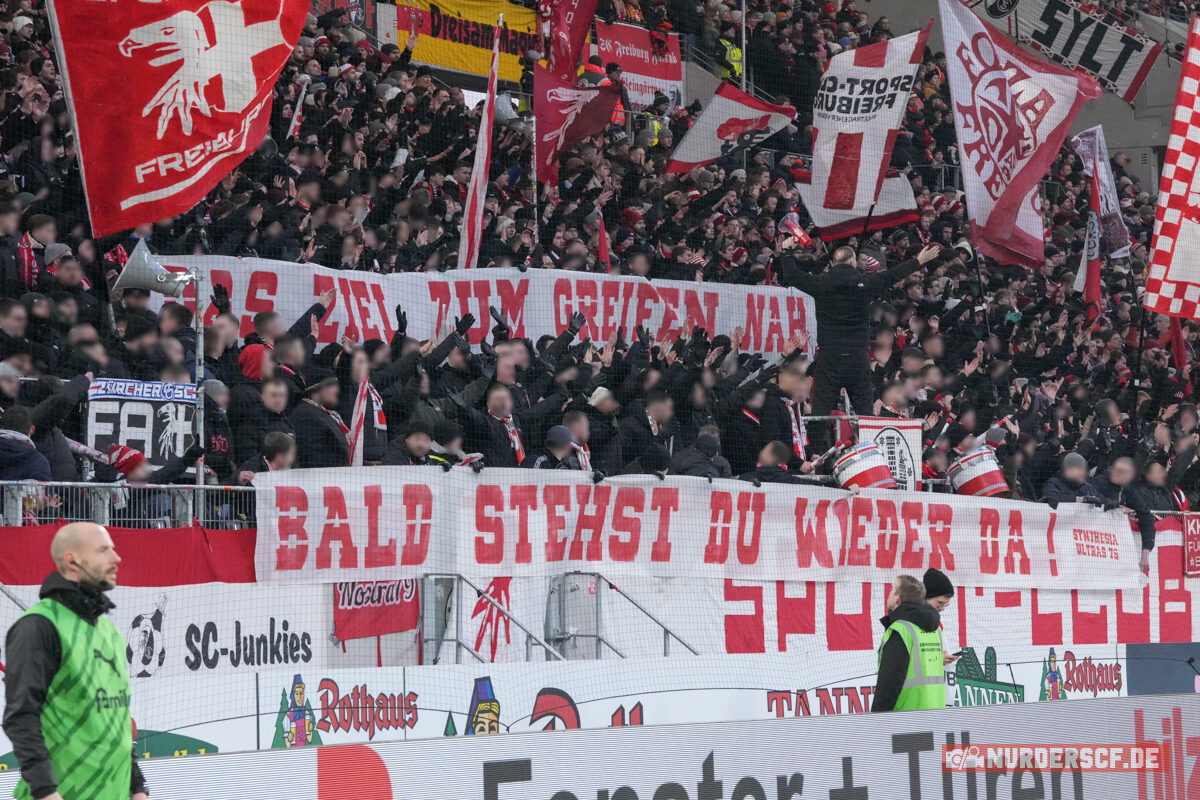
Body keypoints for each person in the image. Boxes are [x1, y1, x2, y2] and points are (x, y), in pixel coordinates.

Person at [3, 522, 150, 800]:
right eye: (104, 550)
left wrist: (137, 787)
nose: (116, 558)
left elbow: (115, 718)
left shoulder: (110, 631)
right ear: (72, 560)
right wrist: (46, 791)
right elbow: (21, 717)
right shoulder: (38, 627)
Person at [782, 243, 941, 449]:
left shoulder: (820, 283)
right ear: (853, 262)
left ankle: (813, 457)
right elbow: (892, 275)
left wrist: (785, 253)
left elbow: (793, 275)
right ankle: (871, 455)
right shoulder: (865, 283)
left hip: (829, 359)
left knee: (820, 412)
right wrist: (918, 260)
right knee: (866, 415)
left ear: (834, 263)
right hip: (857, 359)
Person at [871, 574, 945, 712]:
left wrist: (876, 720)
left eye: (892, 590)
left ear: (897, 598)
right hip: (936, 712)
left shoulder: (901, 630)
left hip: (907, 717)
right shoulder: (935, 629)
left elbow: (890, 682)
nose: (889, 594)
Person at [923, 567, 960, 666]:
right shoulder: (909, 623)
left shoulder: (937, 624)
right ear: (925, 596)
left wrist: (942, 659)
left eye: (945, 604)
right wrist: (936, 660)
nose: (942, 608)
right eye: (940, 603)